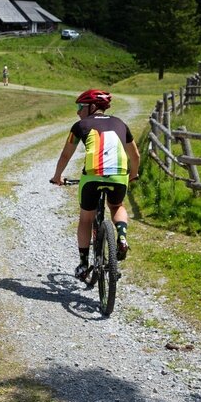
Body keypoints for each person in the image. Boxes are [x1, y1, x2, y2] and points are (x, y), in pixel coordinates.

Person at [49, 89, 140, 279]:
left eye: (80, 107)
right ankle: (122, 237)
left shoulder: (79, 126)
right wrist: (133, 174)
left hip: (92, 176)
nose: (78, 111)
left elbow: (66, 155)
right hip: (118, 175)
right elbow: (135, 156)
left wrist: (57, 176)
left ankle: (83, 264)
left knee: (86, 218)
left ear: (92, 107)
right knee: (116, 205)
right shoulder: (120, 123)